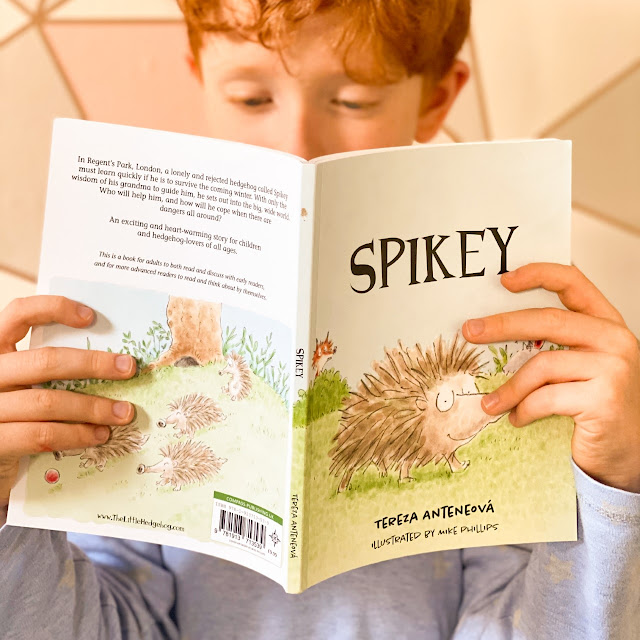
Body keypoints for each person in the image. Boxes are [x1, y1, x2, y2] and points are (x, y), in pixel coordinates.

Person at [1, 1, 639, 637]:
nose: (297, 146)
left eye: (355, 101)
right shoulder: (127, 324)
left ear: (437, 99)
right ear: (199, 75)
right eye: (252, 98)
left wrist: (617, 484)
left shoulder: (506, 314)